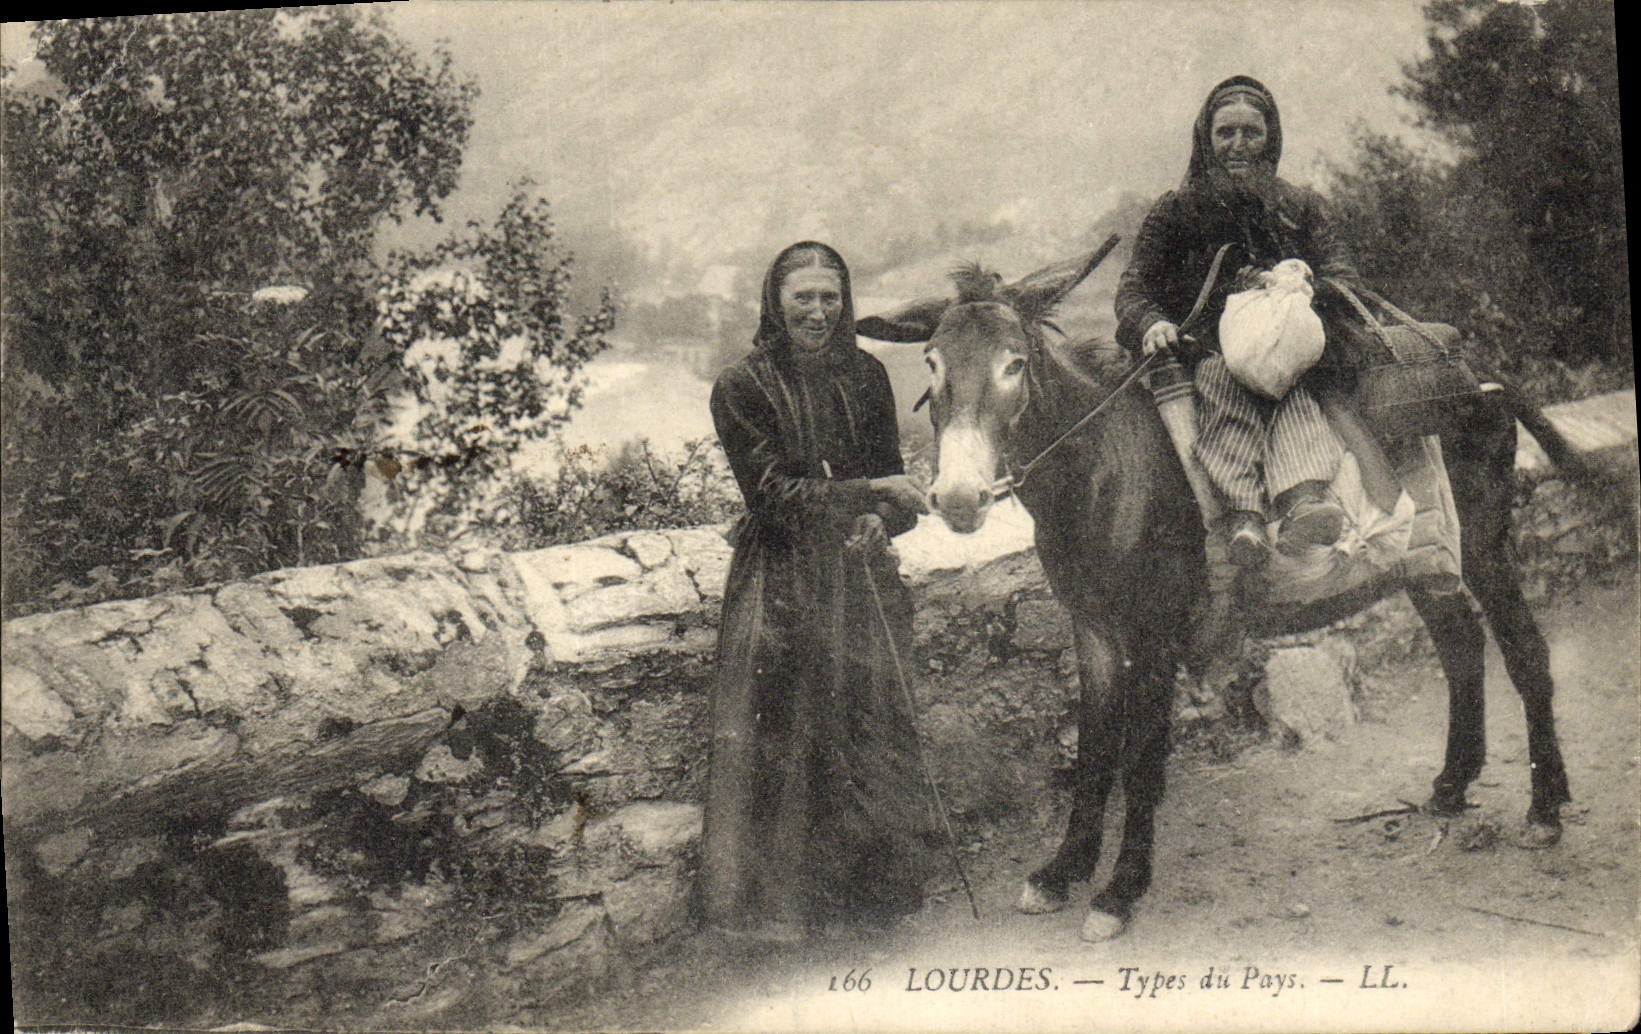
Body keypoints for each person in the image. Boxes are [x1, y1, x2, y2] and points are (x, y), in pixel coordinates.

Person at [699, 241, 935, 945]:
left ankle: (865, 907)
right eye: (802, 297)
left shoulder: (865, 374)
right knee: (787, 741)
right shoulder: (740, 385)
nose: (817, 311)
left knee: (866, 732)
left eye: (830, 298)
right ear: (775, 302)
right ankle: (779, 923)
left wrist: (874, 517)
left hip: (856, 580)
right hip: (782, 586)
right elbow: (771, 496)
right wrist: (868, 494)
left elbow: (889, 482)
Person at [1116, 75, 1373, 566]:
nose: (1238, 146)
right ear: (1206, 139)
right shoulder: (1174, 213)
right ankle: (1244, 516)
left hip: (1291, 351)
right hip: (1209, 353)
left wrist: (1298, 292)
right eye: (1225, 133)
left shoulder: (1302, 208)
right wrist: (1151, 322)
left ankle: (1305, 500)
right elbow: (1134, 288)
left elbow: (1344, 275)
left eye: (1250, 134)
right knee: (1219, 378)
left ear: (1270, 138)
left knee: (1293, 385)